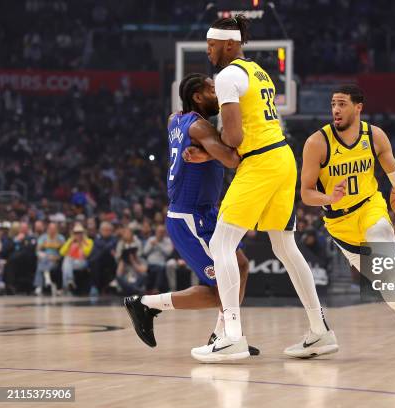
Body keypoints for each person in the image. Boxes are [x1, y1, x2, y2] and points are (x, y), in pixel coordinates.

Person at [195, 15, 337, 362]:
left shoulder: (227, 75)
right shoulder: (258, 71)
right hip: (283, 157)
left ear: (229, 44)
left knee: (221, 243)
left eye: (212, 45)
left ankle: (231, 336)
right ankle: (320, 332)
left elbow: (234, 137)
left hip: (259, 161)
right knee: (285, 246)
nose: (209, 51)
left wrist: (209, 146)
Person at [300, 84, 395, 367]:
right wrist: (329, 197)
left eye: (343, 104)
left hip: (372, 207)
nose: (336, 109)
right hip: (339, 222)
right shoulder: (317, 143)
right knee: (383, 282)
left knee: (389, 264)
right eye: (333, 103)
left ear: (359, 107)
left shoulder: (375, 136)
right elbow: (306, 192)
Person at [123, 73, 259, 356]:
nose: (219, 93)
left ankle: (223, 334)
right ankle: (146, 304)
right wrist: (214, 151)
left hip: (204, 213)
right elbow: (233, 160)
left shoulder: (176, 119)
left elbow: (202, 141)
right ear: (198, 96)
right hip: (189, 217)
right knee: (221, 287)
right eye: (212, 89)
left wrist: (206, 154)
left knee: (240, 266)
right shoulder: (199, 127)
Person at [59, 223, 93, 295]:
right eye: (76, 233)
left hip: (82, 262)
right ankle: (70, 281)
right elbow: (61, 252)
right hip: (71, 262)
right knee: (67, 260)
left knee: (66, 264)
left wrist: (81, 243)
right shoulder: (70, 241)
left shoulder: (89, 241)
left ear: (83, 233)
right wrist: (71, 241)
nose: (78, 234)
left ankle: (65, 287)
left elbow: (87, 254)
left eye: (80, 232)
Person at [34, 222, 65, 295]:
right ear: (47, 229)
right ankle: (47, 276)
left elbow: (64, 251)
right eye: (50, 229)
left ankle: (39, 285)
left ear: (57, 230)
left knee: (41, 264)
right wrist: (42, 249)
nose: (52, 230)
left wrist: (57, 257)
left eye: (54, 229)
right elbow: (37, 250)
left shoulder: (61, 238)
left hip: (55, 258)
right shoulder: (43, 237)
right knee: (43, 257)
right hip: (45, 257)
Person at [115, 227, 147, 296]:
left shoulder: (137, 242)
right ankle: (135, 290)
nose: (126, 235)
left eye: (128, 233)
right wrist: (124, 257)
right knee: (118, 277)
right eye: (125, 233)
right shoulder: (120, 243)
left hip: (136, 263)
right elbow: (118, 257)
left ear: (132, 234)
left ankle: (131, 289)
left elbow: (139, 254)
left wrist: (132, 260)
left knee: (144, 275)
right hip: (125, 266)